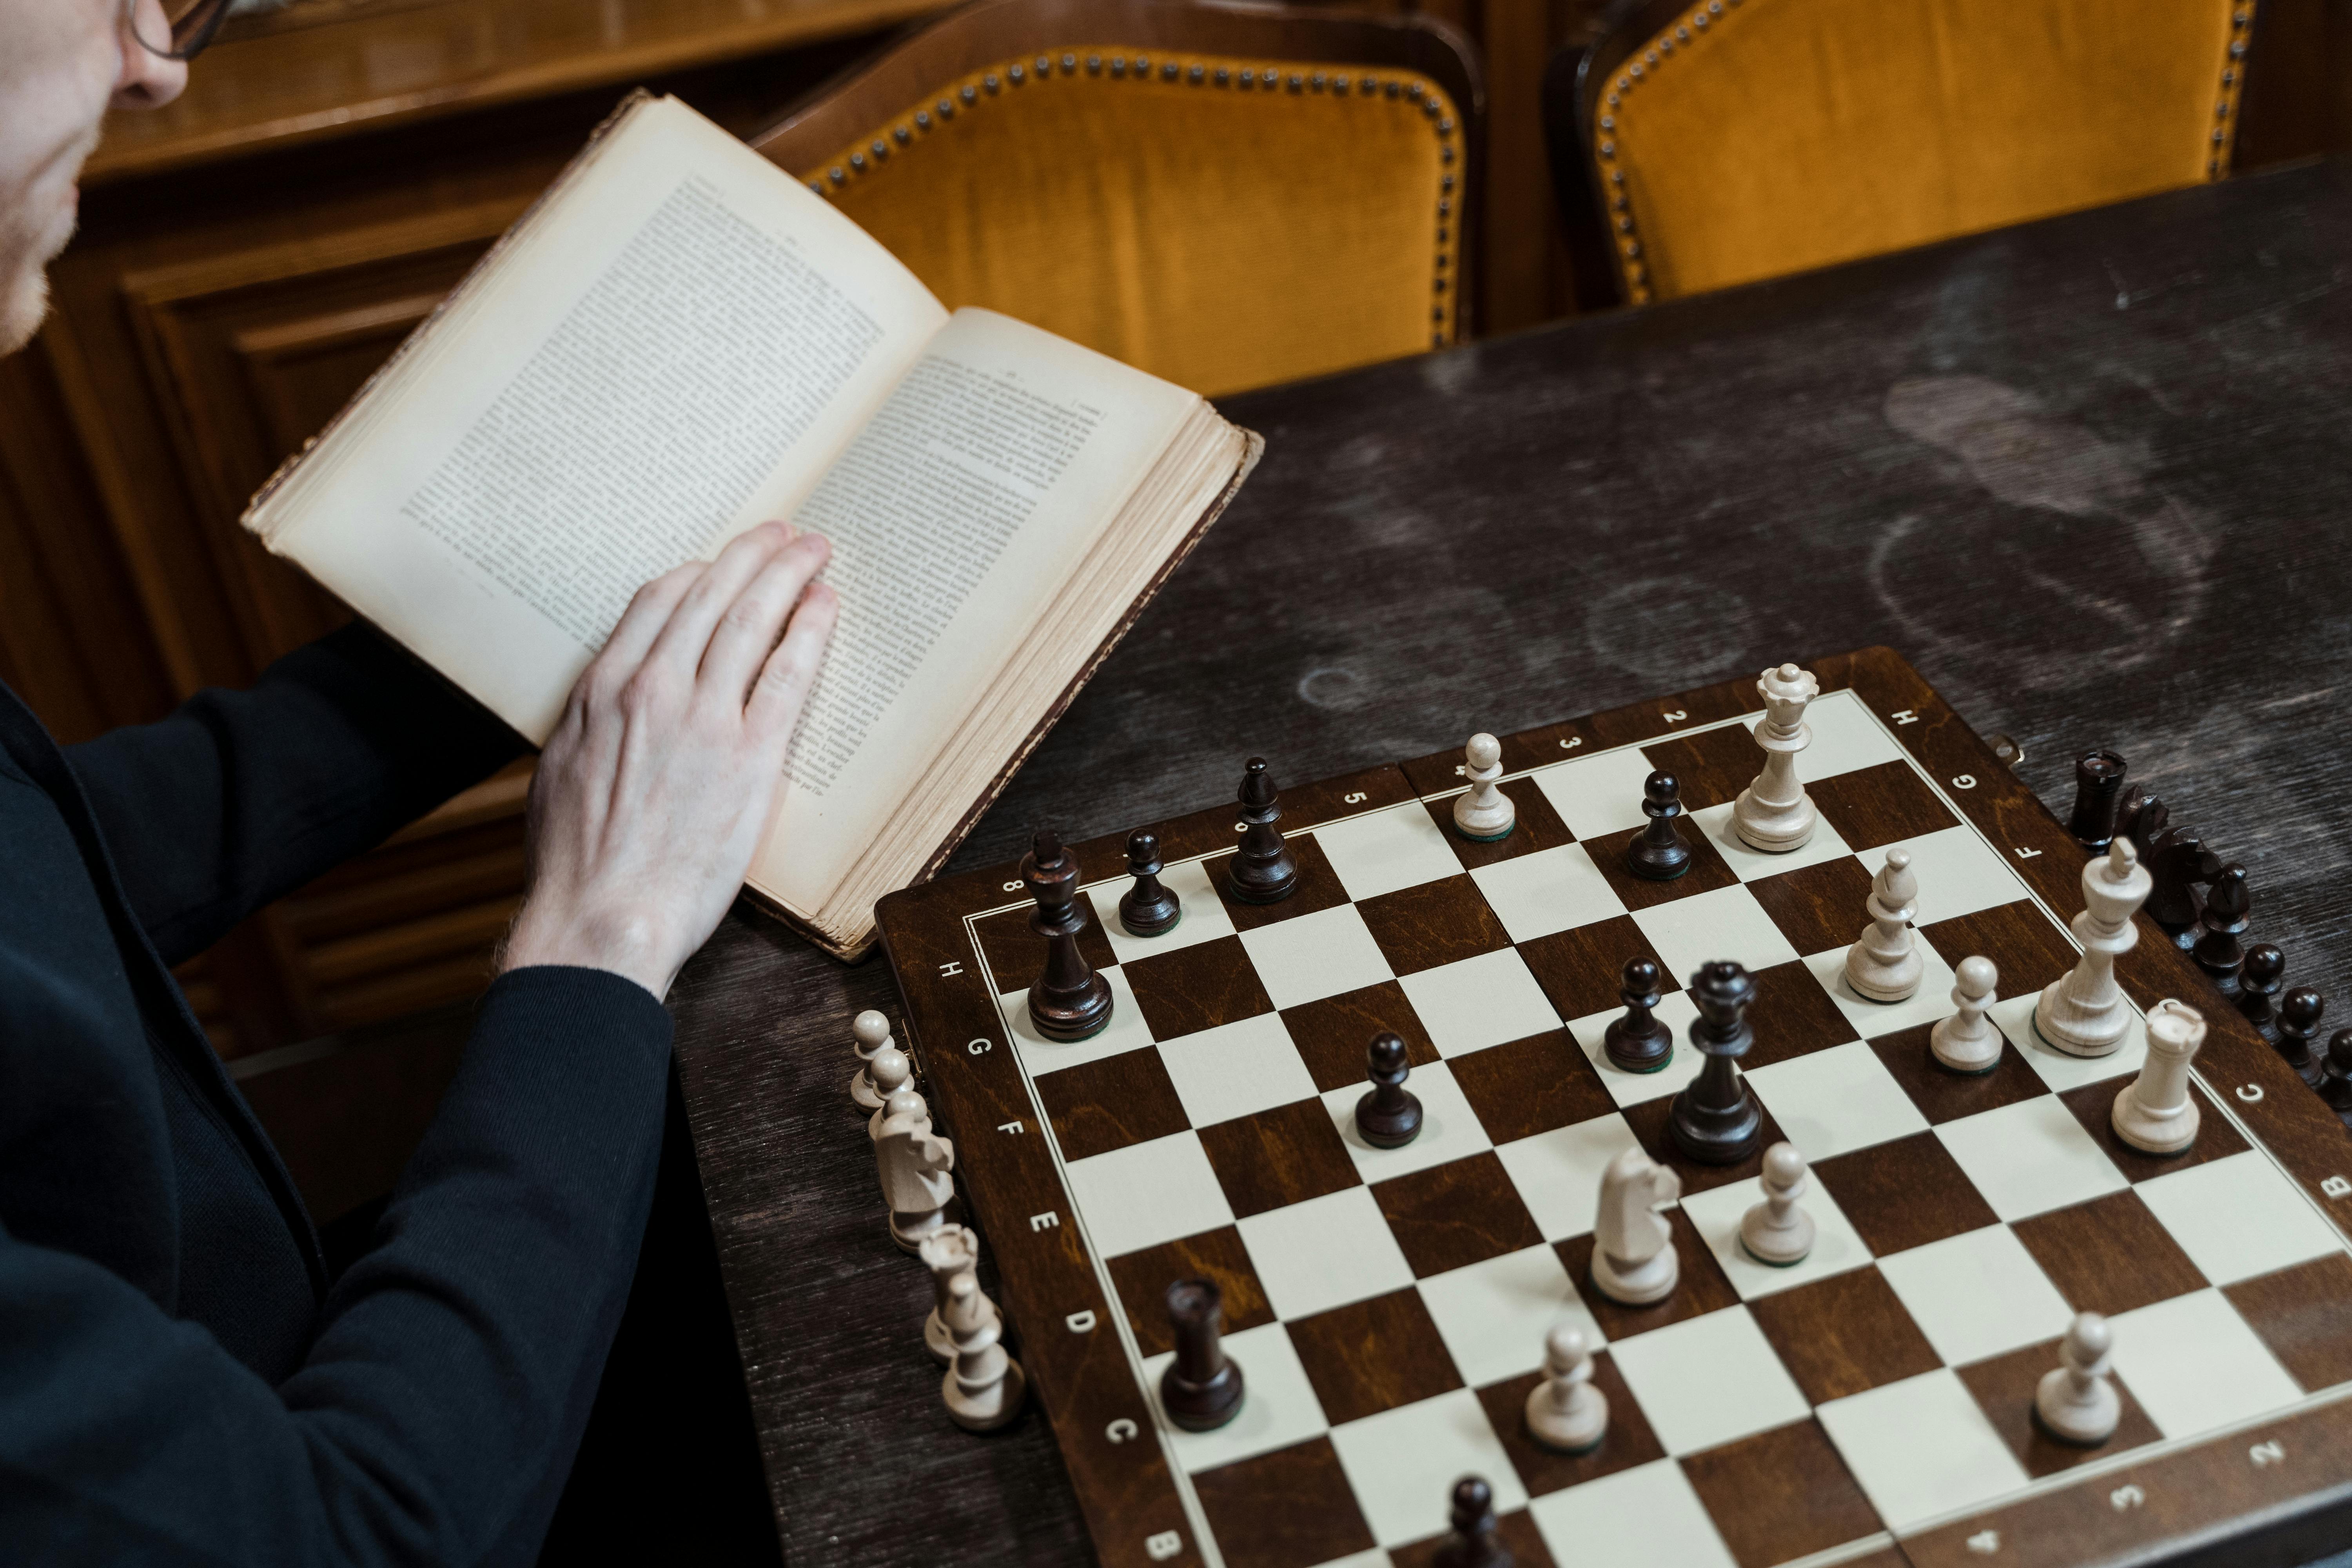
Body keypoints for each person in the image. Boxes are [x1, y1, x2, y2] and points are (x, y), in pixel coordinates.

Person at [0, 2, 838, 1560]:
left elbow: (38, 856)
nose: (155, 60)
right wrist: (602, 924)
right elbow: (364, 1534)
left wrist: (527, 618)